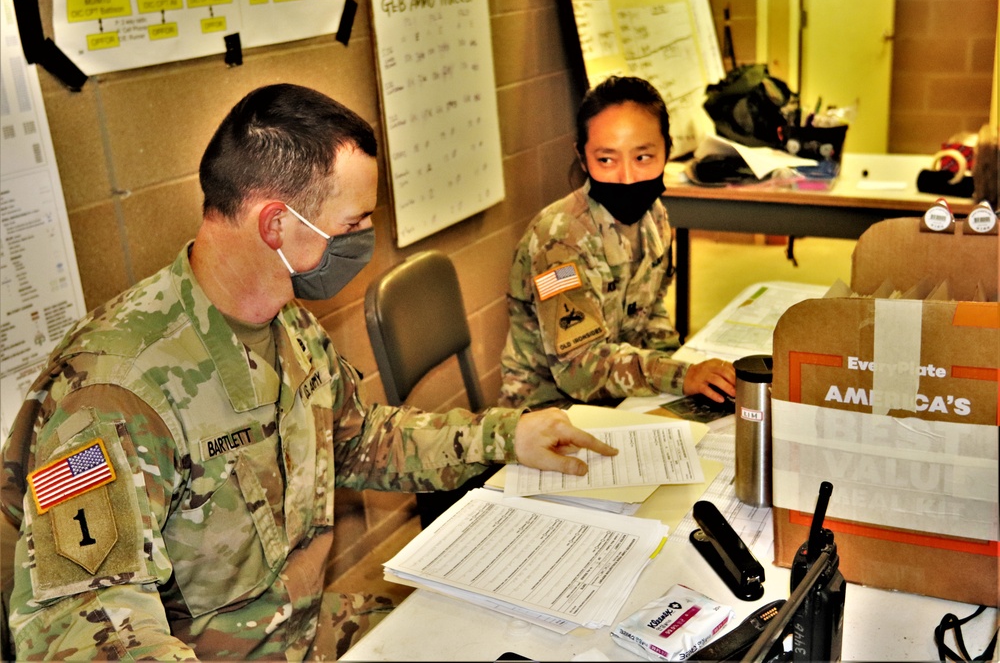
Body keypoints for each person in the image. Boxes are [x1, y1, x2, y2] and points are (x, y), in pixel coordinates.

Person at [0, 83, 617, 661]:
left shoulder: (286, 323)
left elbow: (357, 438)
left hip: (302, 632)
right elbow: (82, 626)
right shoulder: (111, 392)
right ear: (275, 224)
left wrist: (506, 436)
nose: (366, 239)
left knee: (517, 638)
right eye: (352, 224)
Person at [498, 76, 736, 410]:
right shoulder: (559, 240)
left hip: (625, 398)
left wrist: (684, 373)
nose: (627, 178)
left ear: (667, 150)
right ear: (582, 159)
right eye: (606, 160)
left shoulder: (654, 215)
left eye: (643, 158)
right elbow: (579, 370)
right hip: (551, 415)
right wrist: (680, 376)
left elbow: (650, 311)